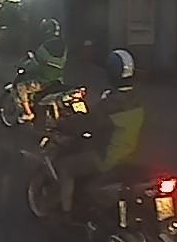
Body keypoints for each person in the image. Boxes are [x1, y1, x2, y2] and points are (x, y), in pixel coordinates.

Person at [54, 49, 144, 221]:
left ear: (110, 73)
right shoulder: (136, 99)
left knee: (65, 167)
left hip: (106, 157)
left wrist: (62, 124)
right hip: (131, 156)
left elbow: (86, 124)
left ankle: (66, 215)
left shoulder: (110, 104)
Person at [15, 17, 68, 123]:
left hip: (43, 80)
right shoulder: (63, 45)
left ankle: (28, 113)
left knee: (21, 87)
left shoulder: (45, 47)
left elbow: (35, 64)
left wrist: (25, 66)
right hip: (58, 79)